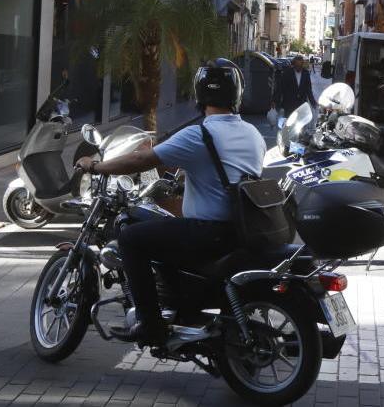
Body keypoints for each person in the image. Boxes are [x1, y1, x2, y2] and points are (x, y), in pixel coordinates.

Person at [82, 59, 265, 346]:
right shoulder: (253, 134)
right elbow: (223, 171)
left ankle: (150, 326)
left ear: (200, 94)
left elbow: (141, 160)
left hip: (208, 231)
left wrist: (95, 166)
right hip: (240, 229)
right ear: (237, 94)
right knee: (164, 228)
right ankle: (179, 305)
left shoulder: (200, 133)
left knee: (131, 238)